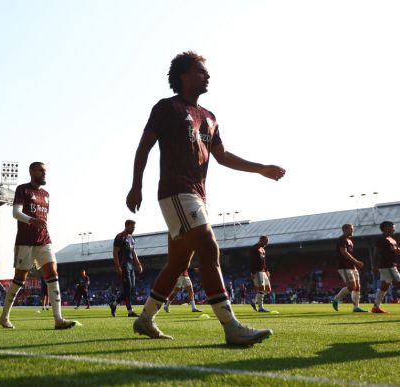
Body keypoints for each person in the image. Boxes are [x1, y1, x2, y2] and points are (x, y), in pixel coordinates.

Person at [126, 51, 285, 345]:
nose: (207, 75)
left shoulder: (210, 117)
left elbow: (222, 156)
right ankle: (231, 326)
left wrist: (260, 168)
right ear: (183, 75)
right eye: (201, 71)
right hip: (176, 191)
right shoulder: (167, 108)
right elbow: (144, 147)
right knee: (209, 249)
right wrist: (136, 185)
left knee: (177, 264)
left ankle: (145, 319)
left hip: (198, 196)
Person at [0, 162, 77, 330]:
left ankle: (58, 319)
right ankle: (4, 316)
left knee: (53, 273)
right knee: (20, 279)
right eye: (41, 170)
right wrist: (32, 220)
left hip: (44, 240)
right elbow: (15, 213)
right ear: (31, 171)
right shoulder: (23, 190)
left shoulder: (47, 194)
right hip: (25, 242)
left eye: (45, 171)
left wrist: (38, 223)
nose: (44, 173)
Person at [110, 220, 143, 317]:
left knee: (131, 289)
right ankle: (130, 311)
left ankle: (114, 304)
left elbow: (133, 252)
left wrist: (138, 264)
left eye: (134, 228)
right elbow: (115, 253)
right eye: (132, 227)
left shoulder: (131, 238)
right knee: (127, 289)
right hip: (123, 265)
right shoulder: (119, 237)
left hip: (130, 265)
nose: (133, 229)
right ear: (127, 226)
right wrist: (118, 266)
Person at [331, 224, 367, 312]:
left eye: (352, 229)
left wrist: (354, 263)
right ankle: (336, 299)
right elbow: (344, 252)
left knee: (357, 286)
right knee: (351, 287)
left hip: (352, 266)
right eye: (351, 229)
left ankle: (356, 307)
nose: (352, 230)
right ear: (344, 230)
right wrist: (356, 261)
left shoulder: (350, 240)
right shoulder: (342, 239)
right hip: (344, 266)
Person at [371, 220, 400, 313]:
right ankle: (376, 307)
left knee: (384, 286)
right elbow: (376, 252)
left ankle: (376, 307)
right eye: (392, 227)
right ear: (386, 228)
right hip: (387, 266)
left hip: (391, 265)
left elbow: (396, 250)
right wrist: (375, 265)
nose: (394, 228)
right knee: (398, 283)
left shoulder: (392, 239)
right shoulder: (381, 239)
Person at [249, 236, 272, 313]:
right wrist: (252, 272)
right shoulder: (254, 248)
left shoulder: (263, 249)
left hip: (263, 271)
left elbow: (263, 262)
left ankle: (254, 301)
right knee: (261, 289)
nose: (267, 243)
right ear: (261, 240)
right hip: (257, 271)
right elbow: (252, 261)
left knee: (268, 290)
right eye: (266, 241)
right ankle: (261, 308)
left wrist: (266, 270)